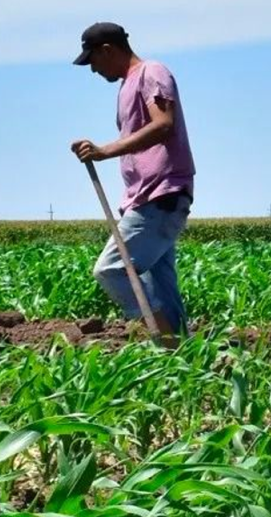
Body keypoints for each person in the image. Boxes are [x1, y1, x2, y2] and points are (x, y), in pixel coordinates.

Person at [69, 22, 196, 346]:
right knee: (161, 284)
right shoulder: (126, 85)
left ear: (108, 50)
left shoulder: (152, 72)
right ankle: (184, 360)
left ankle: (165, 345)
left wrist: (106, 150)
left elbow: (163, 124)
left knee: (111, 269)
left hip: (161, 194)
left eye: (93, 61)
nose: (93, 70)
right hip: (146, 196)